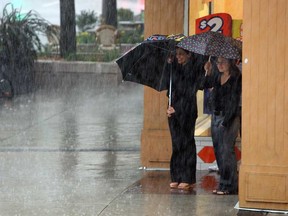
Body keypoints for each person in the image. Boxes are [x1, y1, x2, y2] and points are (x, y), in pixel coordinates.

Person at [166, 47, 206, 191]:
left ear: (189, 55)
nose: (179, 57)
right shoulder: (173, 68)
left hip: (187, 111)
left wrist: (177, 107)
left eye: (181, 54)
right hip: (173, 112)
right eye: (176, 55)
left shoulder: (194, 69)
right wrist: (170, 107)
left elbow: (189, 92)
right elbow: (170, 91)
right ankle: (176, 175)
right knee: (176, 144)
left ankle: (188, 177)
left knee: (186, 143)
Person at [204, 57, 242, 195]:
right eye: (217, 62)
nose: (219, 65)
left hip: (229, 116)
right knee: (219, 150)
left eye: (222, 62)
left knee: (226, 151)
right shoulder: (217, 75)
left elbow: (234, 101)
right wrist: (207, 71)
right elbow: (203, 84)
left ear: (230, 62)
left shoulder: (236, 77)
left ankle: (230, 185)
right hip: (216, 115)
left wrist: (226, 122)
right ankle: (223, 184)